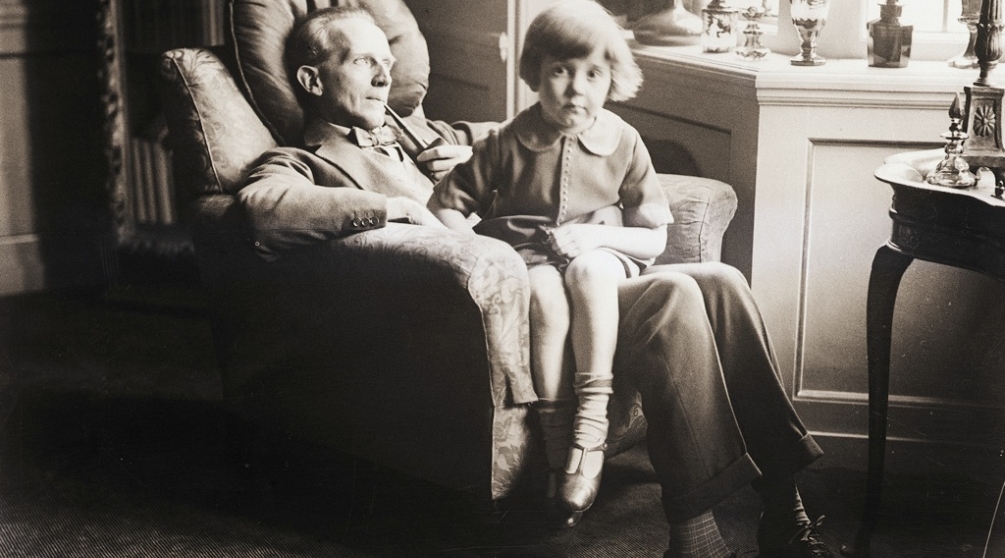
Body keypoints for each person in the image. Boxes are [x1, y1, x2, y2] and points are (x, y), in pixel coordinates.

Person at [236, 4, 838, 557]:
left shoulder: (427, 132)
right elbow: (261, 207)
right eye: (363, 61)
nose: (384, 75)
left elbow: (531, 137)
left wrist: (476, 158)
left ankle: (785, 507)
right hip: (514, 306)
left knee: (723, 284)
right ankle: (694, 534)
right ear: (313, 80)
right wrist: (392, 206)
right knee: (675, 296)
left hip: (580, 289)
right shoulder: (304, 159)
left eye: (387, 61)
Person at [427, 0, 672, 527]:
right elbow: (444, 207)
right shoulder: (505, 142)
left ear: (611, 80)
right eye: (561, 70)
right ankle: (559, 452)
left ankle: (590, 433)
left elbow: (654, 238)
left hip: (603, 256)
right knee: (541, 290)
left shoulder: (624, 142)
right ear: (535, 73)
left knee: (587, 270)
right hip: (529, 260)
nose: (576, 88)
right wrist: (485, 254)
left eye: (593, 74)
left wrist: (593, 237)